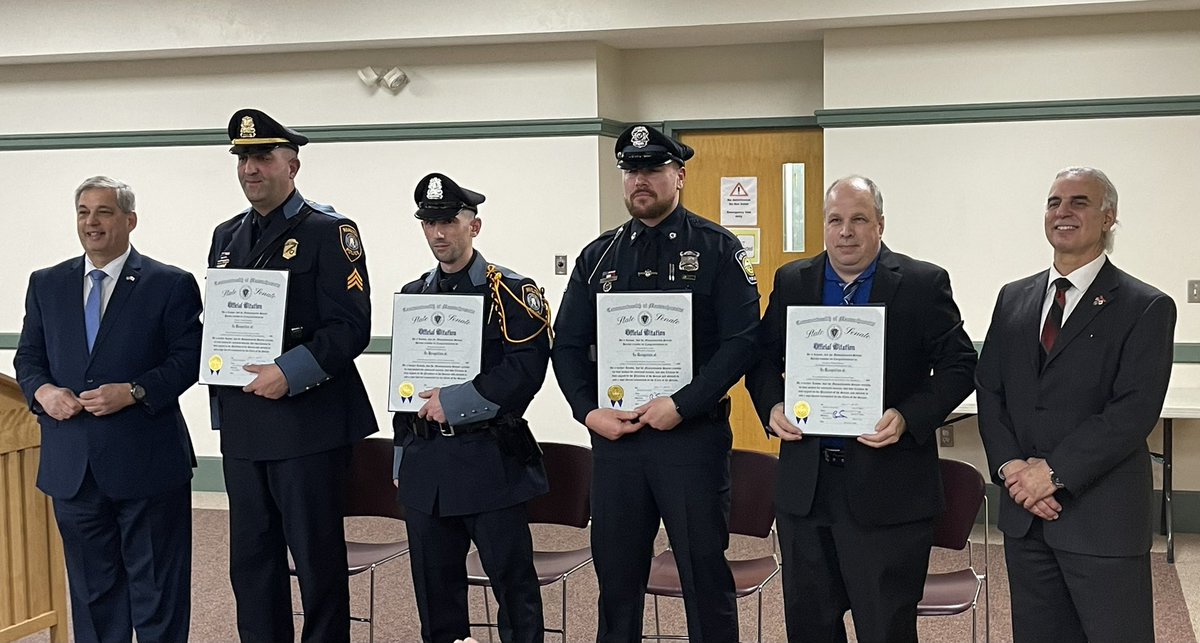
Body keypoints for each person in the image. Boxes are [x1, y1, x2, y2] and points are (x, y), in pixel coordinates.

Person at [746, 175, 977, 643]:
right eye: (835, 220)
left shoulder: (921, 282)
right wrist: (771, 404)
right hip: (807, 491)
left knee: (885, 627)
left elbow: (959, 365)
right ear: (824, 227)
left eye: (858, 220)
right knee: (810, 626)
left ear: (880, 225)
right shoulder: (794, 281)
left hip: (888, 490)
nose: (845, 232)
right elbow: (762, 358)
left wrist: (909, 416)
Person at [552, 124, 759, 642]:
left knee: (703, 577)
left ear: (679, 175)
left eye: (652, 169)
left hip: (689, 441)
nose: (639, 180)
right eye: (631, 170)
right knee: (617, 583)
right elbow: (568, 346)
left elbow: (741, 342)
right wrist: (586, 411)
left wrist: (683, 405)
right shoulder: (597, 256)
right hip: (617, 443)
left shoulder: (716, 248)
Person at [976, 167, 1175, 643]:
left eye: (1079, 202)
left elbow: (1132, 411)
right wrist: (1012, 470)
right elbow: (991, 391)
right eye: (1053, 202)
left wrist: (1053, 474)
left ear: (1109, 217)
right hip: (1027, 521)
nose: (1062, 212)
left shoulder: (1145, 306)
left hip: (1101, 519)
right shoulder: (1014, 298)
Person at [207, 108, 377, 643]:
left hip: (308, 423)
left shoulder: (330, 232)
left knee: (316, 560)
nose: (250, 168)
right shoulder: (226, 236)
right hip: (244, 422)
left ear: (292, 164)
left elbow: (351, 326)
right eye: (242, 158)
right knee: (251, 563)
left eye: (262, 156)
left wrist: (290, 371)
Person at [15, 176, 202, 643]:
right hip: (72, 468)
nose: (91, 223)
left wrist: (135, 391)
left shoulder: (170, 283)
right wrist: (43, 393)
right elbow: (28, 358)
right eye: (83, 212)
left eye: (103, 212)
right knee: (93, 596)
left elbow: (187, 360)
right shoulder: (47, 283)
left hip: (148, 462)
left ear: (129, 220)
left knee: (157, 591)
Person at [394, 173, 551, 643]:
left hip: (488, 459)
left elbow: (525, 371)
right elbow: (406, 385)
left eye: (449, 221)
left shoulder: (510, 292)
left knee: (513, 588)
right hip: (426, 465)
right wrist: (402, 457)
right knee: (435, 595)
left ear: (474, 226)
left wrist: (455, 402)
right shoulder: (415, 296)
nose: (439, 233)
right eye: (429, 223)